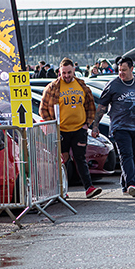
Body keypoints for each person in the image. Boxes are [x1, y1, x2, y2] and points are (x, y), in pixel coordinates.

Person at [40, 58, 101, 198]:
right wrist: (52, 125)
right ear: (59, 72)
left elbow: (90, 106)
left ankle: (89, 188)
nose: (66, 76)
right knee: (62, 160)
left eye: (69, 72)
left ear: (74, 70)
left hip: (79, 129)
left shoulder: (81, 85)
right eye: (64, 73)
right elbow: (43, 109)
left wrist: (87, 123)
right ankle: (61, 191)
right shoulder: (52, 87)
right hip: (61, 130)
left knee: (80, 158)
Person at [92, 56, 135, 197]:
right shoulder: (113, 85)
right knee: (126, 155)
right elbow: (102, 107)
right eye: (119, 70)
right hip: (120, 127)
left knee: (133, 156)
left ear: (132, 69)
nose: (121, 73)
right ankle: (132, 184)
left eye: (124, 70)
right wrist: (95, 126)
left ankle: (125, 185)